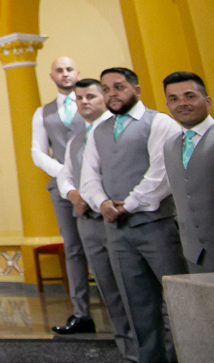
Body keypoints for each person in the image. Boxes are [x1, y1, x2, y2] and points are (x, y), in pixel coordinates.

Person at [80, 67, 186, 363]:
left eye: (119, 87)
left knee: (176, 301)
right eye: (106, 88)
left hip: (158, 226)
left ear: (136, 90)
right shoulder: (99, 130)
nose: (112, 93)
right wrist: (101, 203)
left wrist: (128, 205)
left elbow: (162, 173)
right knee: (136, 304)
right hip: (117, 232)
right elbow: (88, 175)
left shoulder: (159, 122)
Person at [55, 79, 136, 360]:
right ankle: (127, 349)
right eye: (79, 98)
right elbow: (65, 174)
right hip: (87, 221)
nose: (84, 102)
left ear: (104, 98)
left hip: (116, 219)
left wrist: (94, 200)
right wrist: (73, 194)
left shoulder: (120, 129)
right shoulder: (76, 139)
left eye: (90, 96)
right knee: (108, 289)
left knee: (133, 288)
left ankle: (152, 349)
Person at [30, 55, 91, 333]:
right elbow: (38, 152)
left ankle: (120, 309)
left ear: (77, 73)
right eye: (59, 70)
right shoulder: (43, 113)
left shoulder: (91, 105)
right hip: (61, 188)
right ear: (52, 76)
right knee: (73, 249)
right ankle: (81, 313)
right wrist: (64, 173)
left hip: (94, 185)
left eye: (69, 69)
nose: (65, 74)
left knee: (103, 248)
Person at [161, 71, 214, 274]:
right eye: (173, 99)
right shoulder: (169, 146)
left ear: (207, 101)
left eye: (189, 96)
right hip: (194, 253)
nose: (182, 103)